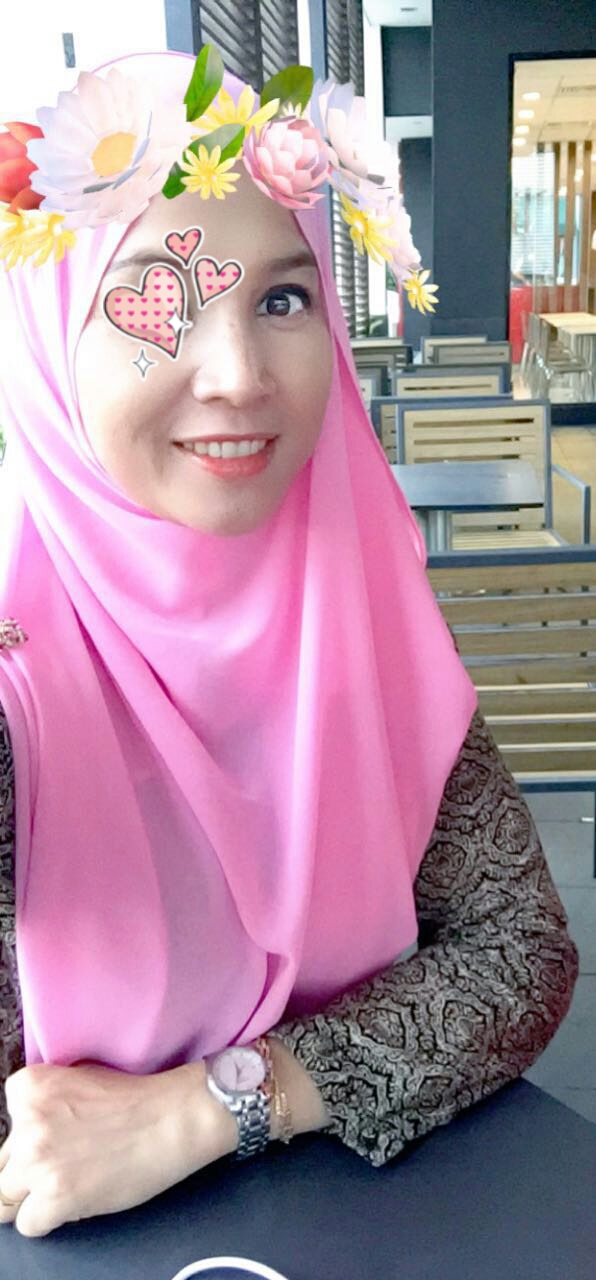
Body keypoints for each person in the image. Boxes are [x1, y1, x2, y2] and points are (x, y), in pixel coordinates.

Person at [0, 48, 578, 1239]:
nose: (238, 376)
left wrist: (214, 1104)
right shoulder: (19, 680)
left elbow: (519, 950)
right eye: (154, 300)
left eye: (280, 299)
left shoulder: (360, 618)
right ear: (48, 349)